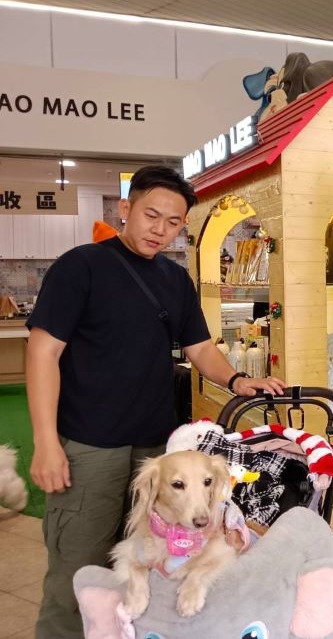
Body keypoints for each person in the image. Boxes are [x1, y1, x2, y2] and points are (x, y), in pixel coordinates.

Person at [26, 165, 286, 638]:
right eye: (151, 215)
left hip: (156, 451)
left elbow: (200, 348)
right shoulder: (80, 266)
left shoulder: (175, 279)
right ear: (126, 209)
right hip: (90, 443)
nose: (159, 230)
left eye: (173, 222)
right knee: (78, 569)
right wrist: (46, 443)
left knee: (150, 564)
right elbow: (43, 352)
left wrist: (237, 379)